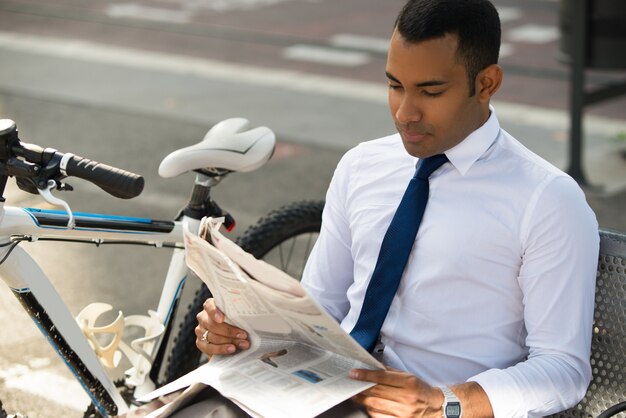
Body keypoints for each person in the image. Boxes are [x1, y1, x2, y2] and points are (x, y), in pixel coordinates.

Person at [129, 0, 600, 417]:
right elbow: (320, 309)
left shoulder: (547, 200)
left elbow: (563, 369)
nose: (404, 112)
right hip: (323, 391)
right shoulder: (362, 166)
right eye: (395, 85)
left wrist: (445, 403)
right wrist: (244, 331)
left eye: (430, 92)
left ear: (487, 84)